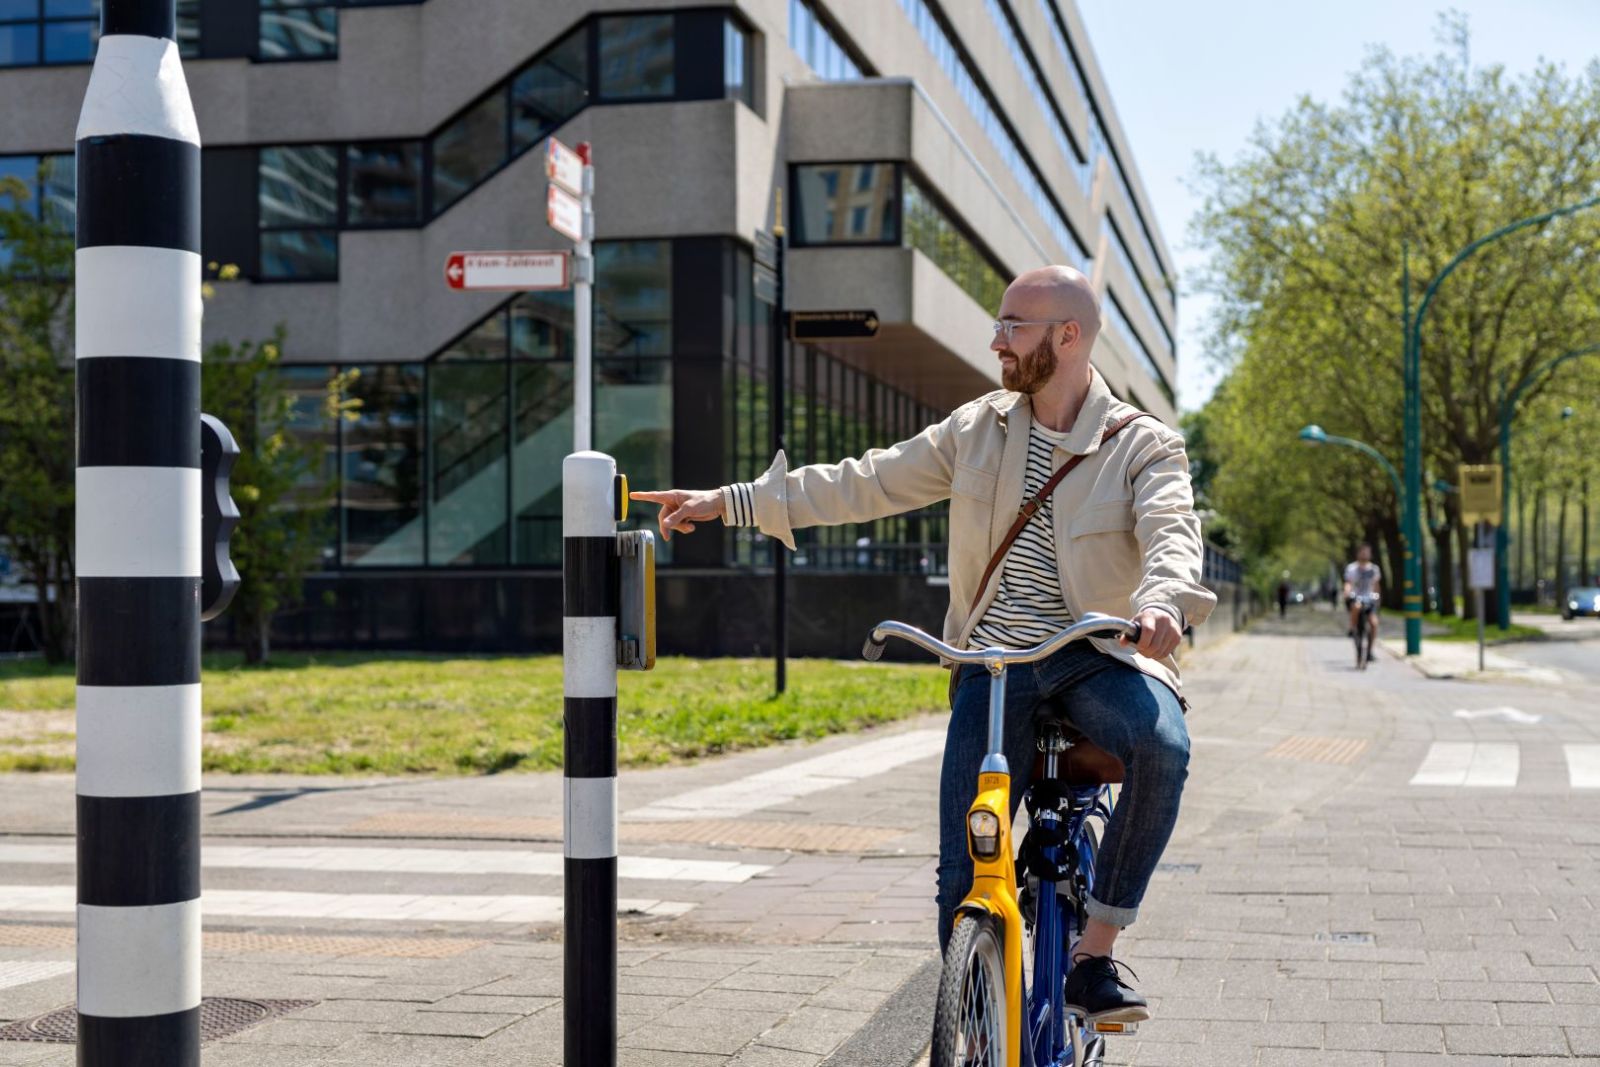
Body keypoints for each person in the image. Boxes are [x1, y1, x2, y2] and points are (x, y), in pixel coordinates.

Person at [631, 266, 1215, 1024]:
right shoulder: (980, 427)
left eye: (1014, 324)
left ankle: (1093, 953)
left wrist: (1161, 600)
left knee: (1163, 744)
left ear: (1067, 336)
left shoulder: (1141, 444)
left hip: (1093, 651)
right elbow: (863, 482)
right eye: (999, 322)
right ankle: (976, 1019)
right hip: (993, 660)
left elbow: (1172, 532)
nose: (996, 338)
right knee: (960, 879)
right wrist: (729, 501)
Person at [1344, 543, 1382, 640]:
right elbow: (1348, 583)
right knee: (1356, 606)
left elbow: (1376, 585)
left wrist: (1377, 597)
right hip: (1356, 596)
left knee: (1374, 623)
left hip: (1369, 598)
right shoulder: (1351, 568)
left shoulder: (1374, 569)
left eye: (1366, 553)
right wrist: (1347, 592)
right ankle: (1352, 627)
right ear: (1358, 554)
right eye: (1362, 552)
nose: (1364, 554)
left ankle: (1370, 651)